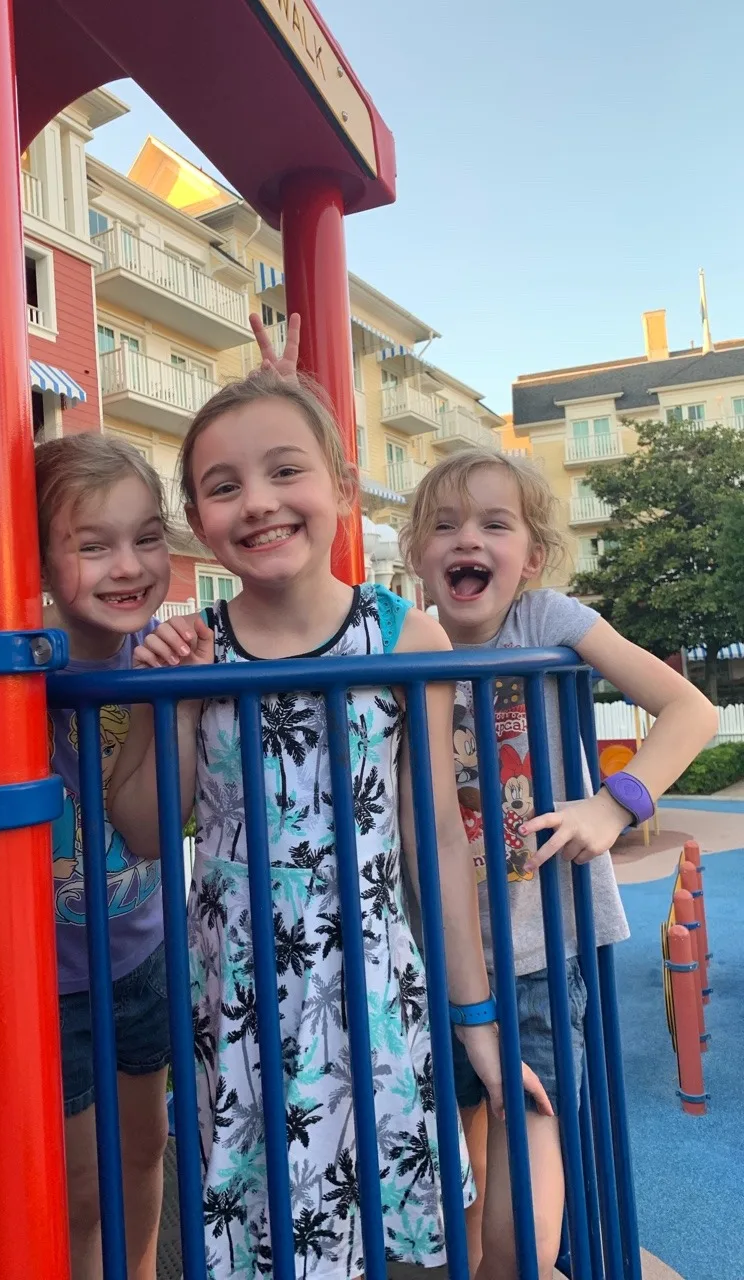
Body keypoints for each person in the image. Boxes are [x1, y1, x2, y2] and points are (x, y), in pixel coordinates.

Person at [109, 369, 550, 1280]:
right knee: (256, 1228)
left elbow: (434, 841)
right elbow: (149, 832)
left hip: (373, 986)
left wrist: (476, 1022)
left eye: (285, 472)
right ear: (198, 514)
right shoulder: (196, 645)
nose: (259, 503)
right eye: (224, 486)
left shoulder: (401, 639)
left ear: (341, 487)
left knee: (392, 1238)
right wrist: (177, 699)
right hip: (240, 995)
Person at [399, 448, 717, 1279]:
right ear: (417, 558)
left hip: (538, 953)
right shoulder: (406, 638)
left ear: (531, 558)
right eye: (443, 525)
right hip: (427, 959)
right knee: (454, 1169)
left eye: (493, 525)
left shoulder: (542, 621)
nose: (466, 538)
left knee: (527, 1179)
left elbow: (691, 710)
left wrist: (617, 803)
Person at [35, 433, 173, 1280]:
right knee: (81, 1186)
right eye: (93, 546)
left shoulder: (161, 656)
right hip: (51, 976)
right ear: (42, 560)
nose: (127, 565)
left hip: (141, 952)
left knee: (146, 1152)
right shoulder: (19, 660)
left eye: (146, 536)